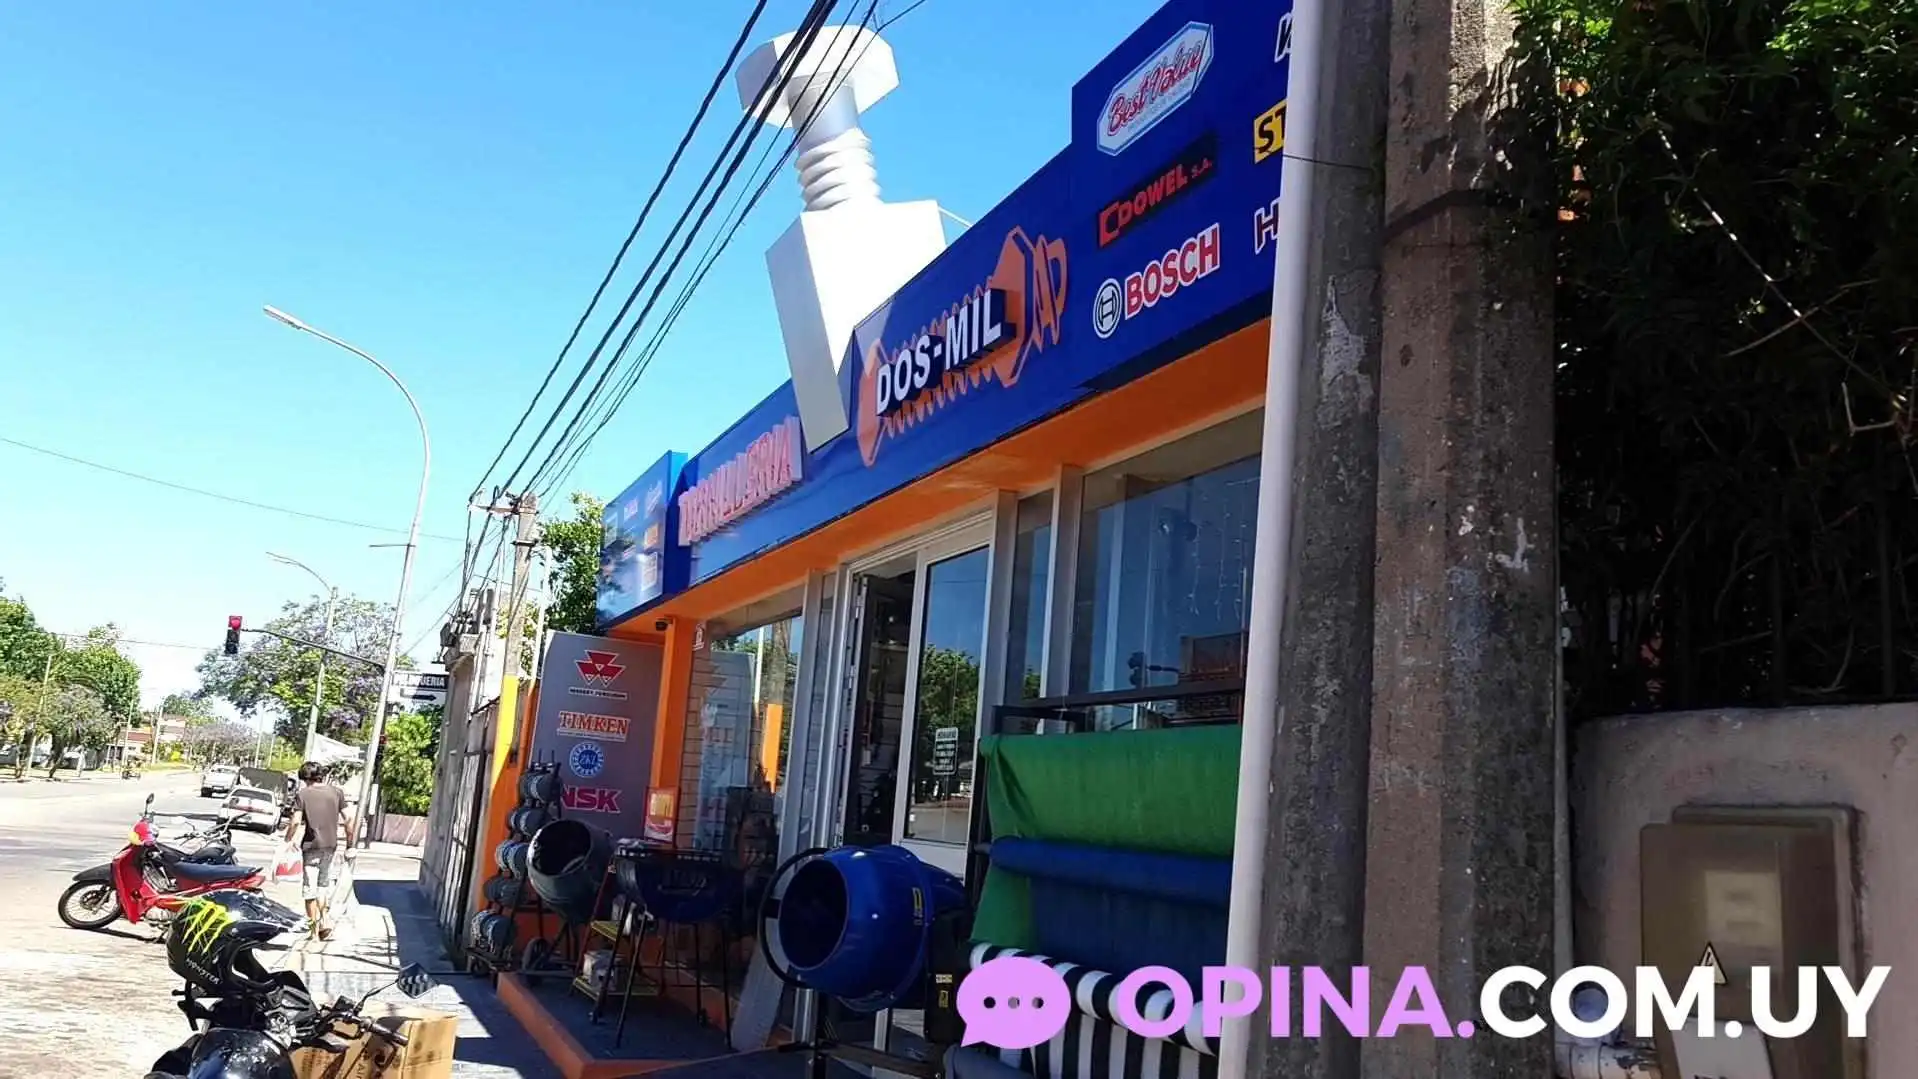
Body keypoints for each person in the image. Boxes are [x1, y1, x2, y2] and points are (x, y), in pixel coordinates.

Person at [282, 761, 356, 940]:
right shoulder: (337, 792)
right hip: (330, 846)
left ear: (305, 778)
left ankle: (314, 932)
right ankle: (325, 920)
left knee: (309, 890)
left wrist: (287, 840)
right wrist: (349, 844)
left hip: (311, 847)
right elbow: (349, 819)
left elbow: (295, 821)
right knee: (323, 885)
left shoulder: (303, 794)